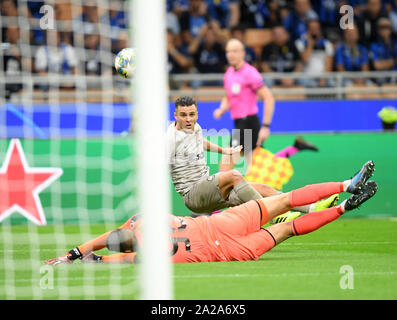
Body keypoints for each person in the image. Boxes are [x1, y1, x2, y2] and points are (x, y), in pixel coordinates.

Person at [45, 161, 377, 265]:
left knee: (287, 230)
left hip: (226, 252)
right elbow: (109, 238)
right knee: (286, 199)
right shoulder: (142, 220)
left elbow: (111, 254)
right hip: (221, 223)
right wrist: (77, 251)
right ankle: (347, 184)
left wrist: (82, 259)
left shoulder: (145, 258)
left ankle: (344, 208)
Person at [167, 96, 325, 217]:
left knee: (261, 187)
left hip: (208, 193)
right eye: (183, 115)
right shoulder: (170, 139)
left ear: (197, 114)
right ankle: (274, 215)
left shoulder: (195, 128)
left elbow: (201, 141)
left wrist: (225, 151)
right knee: (234, 175)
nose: (188, 119)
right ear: (175, 115)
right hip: (193, 195)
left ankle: (311, 208)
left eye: (191, 114)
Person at [295, 19, 334, 88]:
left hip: (322, 77)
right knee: (308, 83)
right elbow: (305, 59)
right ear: (307, 30)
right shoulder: (300, 43)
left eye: (316, 29)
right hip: (306, 77)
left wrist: (323, 78)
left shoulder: (327, 44)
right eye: (312, 29)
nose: (314, 31)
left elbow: (328, 64)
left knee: (333, 83)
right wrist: (310, 44)